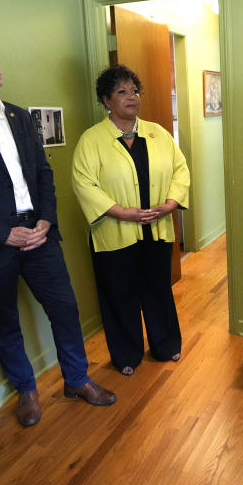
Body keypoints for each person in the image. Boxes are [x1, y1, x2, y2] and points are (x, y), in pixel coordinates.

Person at [0, 34, 116, 426]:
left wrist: (46, 219)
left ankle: (77, 379)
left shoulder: (20, 116)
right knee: (4, 320)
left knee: (65, 309)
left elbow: (43, 172)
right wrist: (1, 233)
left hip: (40, 234)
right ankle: (26, 390)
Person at [72, 65, 190, 376]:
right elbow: (84, 183)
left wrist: (171, 204)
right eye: (122, 91)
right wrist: (122, 212)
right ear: (106, 100)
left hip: (157, 228)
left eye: (134, 91)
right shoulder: (92, 140)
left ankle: (166, 345)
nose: (131, 97)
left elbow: (181, 169)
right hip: (114, 232)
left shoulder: (157, 133)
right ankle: (126, 355)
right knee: (119, 294)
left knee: (158, 289)